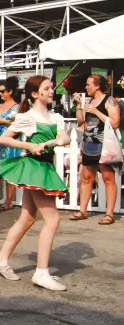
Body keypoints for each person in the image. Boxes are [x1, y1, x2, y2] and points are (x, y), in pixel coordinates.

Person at [0, 75, 70, 291]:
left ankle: (1, 260)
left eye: (51, 87)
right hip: (34, 167)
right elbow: (5, 138)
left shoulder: (55, 116)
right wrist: (29, 147)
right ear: (35, 93)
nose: (51, 90)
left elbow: (66, 138)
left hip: (43, 167)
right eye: (47, 87)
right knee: (53, 219)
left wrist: (54, 141)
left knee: (27, 218)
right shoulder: (27, 116)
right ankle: (41, 272)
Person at [69, 74, 121, 225]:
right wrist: (79, 105)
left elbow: (115, 122)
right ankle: (82, 210)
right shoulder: (89, 101)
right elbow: (81, 120)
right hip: (89, 143)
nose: (86, 87)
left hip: (105, 144)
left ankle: (109, 214)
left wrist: (96, 111)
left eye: (88, 84)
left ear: (97, 86)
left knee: (108, 178)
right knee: (86, 178)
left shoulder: (109, 101)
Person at [0, 78, 21, 211]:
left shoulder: (17, 108)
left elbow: (19, 125)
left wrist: (3, 121)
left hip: (10, 141)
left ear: (10, 91)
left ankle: (9, 200)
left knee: (10, 172)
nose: (1, 94)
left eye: (3, 91)